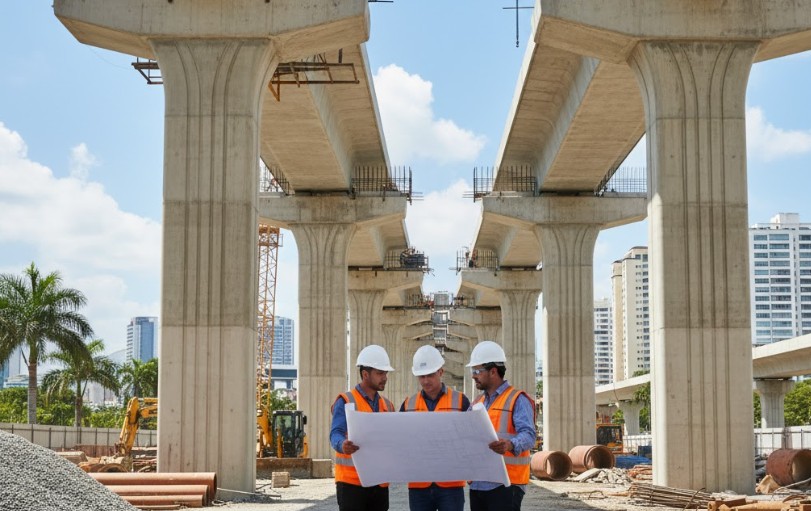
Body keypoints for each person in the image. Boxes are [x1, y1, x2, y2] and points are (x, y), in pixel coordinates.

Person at [467, 340, 536, 511]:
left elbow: (529, 435)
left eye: (477, 371)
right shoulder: (477, 402)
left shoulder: (517, 399)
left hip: (507, 484)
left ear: (493, 371)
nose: (473, 375)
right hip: (479, 482)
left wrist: (509, 444)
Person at [400, 345, 471, 511]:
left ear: (441, 372)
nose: (425, 381)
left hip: (451, 483)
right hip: (419, 483)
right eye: (421, 376)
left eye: (430, 375)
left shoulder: (461, 401)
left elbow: (470, 439)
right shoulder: (408, 404)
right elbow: (400, 440)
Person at [330, 344, 396, 511]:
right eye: (380, 373)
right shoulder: (346, 401)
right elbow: (335, 433)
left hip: (379, 482)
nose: (385, 377)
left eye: (385, 373)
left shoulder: (388, 405)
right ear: (365, 374)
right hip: (351, 482)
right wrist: (342, 445)